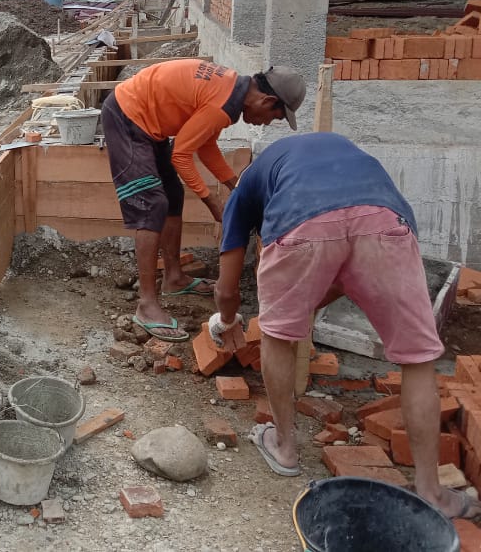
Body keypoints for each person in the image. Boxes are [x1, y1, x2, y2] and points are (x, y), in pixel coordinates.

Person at [211, 132, 481, 521]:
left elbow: (226, 287)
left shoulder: (245, 187)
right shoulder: (334, 151)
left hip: (301, 222)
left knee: (277, 338)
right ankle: (432, 491)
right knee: (418, 359)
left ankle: (284, 447)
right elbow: (345, 258)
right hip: (387, 220)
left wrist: (228, 321)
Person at [101, 59, 306, 342]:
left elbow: (205, 144)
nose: (268, 123)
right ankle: (147, 304)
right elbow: (181, 156)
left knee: (172, 194)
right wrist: (214, 205)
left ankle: (173, 279)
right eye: (275, 116)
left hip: (149, 120)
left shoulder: (230, 92)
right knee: (152, 203)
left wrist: (236, 186)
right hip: (127, 115)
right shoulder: (223, 101)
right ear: (267, 99)